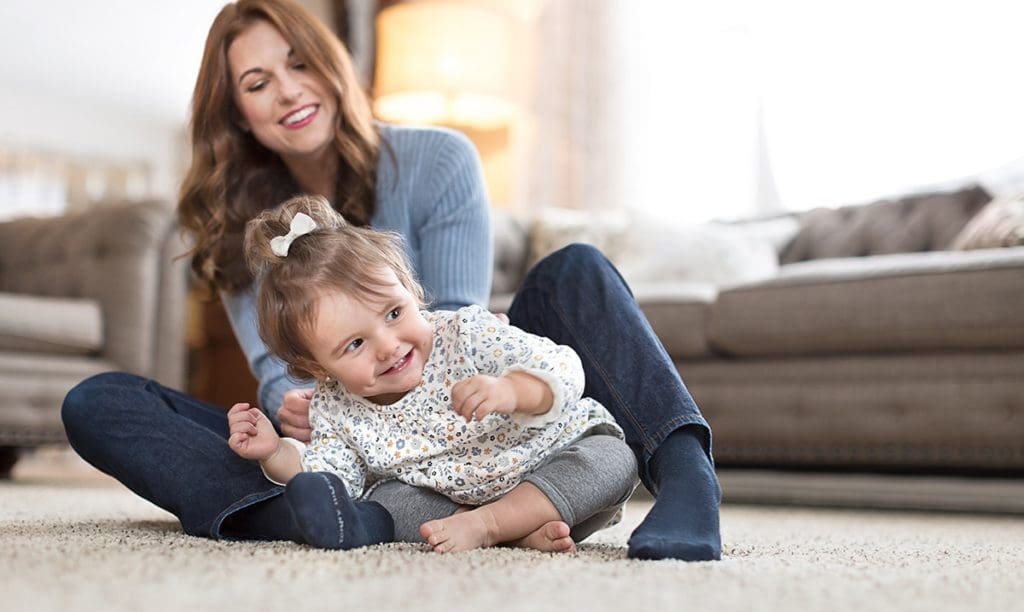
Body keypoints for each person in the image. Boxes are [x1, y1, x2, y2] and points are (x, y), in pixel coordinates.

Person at [61, 0, 721, 561]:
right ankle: (321, 513)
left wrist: (447, 385)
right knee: (97, 404)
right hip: (347, 436)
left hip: (467, 407)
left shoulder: (437, 161)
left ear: (333, 63)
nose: (288, 90)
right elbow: (280, 371)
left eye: (299, 62)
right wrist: (293, 414)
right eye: (257, 83)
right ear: (236, 112)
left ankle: (686, 475)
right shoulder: (238, 224)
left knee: (575, 270)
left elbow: (460, 320)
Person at [227, 195, 637, 553]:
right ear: (318, 368)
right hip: (454, 506)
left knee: (613, 457)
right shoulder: (335, 409)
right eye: (355, 345)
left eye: (393, 313)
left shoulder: (465, 334)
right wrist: (276, 453)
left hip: (550, 483)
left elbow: (561, 368)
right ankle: (509, 532)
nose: (388, 346)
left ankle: (496, 527)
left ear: (412, 291)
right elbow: (336, 479)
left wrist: (513, 390)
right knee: (386, 502)